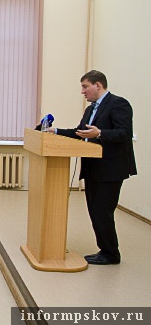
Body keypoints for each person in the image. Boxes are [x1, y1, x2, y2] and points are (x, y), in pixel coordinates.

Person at [48, 70, 136, 265]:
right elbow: (81, 133)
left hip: (111, 168)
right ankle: (105, 250)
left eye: (85, 86)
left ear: (98, 85)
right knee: (95, 210)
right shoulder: (90, 109)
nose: (83, 91)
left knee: (103, 211)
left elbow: (124, 133)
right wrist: (55, 131)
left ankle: (111, 254)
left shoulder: (118, 104)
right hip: (93, 168)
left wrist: (100, 133)